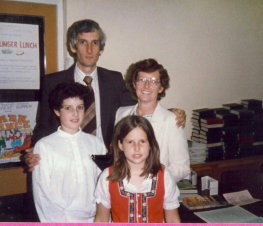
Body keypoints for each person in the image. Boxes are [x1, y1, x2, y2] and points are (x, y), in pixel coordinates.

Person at [25, 19, 186, 170]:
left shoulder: (114, 80)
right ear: (73, 47)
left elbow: (140, 104)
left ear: (101, 48)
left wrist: (171, 112)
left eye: (95, 43)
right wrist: (36, 151)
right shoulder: (53, 82)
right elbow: (43, 126)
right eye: (83, 42)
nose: (89, 49)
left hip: (106, 163)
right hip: (66, 160)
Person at [32, 82, 107, 222]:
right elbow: (42, 194)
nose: (75, 113)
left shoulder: (96, 143)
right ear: (57, 111)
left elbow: (104, 184)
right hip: (62, 219)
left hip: (95, 218)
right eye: (68, 108)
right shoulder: (45, 146)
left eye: (80, 107)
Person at [115, 58, 190, 182]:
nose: (146, 85)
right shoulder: (121, 114)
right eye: (142, 80)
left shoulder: (171, 120)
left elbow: (182, 167)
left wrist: (151, 180)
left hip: (157, 192)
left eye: (154, 81)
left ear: (161, 88)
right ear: (134, 84)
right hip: (125, 187)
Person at [94, 115, 181, 223]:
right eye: (130, 142)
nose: (137, 148)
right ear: (120, 145)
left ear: (150, 144)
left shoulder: (164, 176)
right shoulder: (107, 177)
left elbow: (172, 219)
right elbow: (101, 218)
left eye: (142, 141)